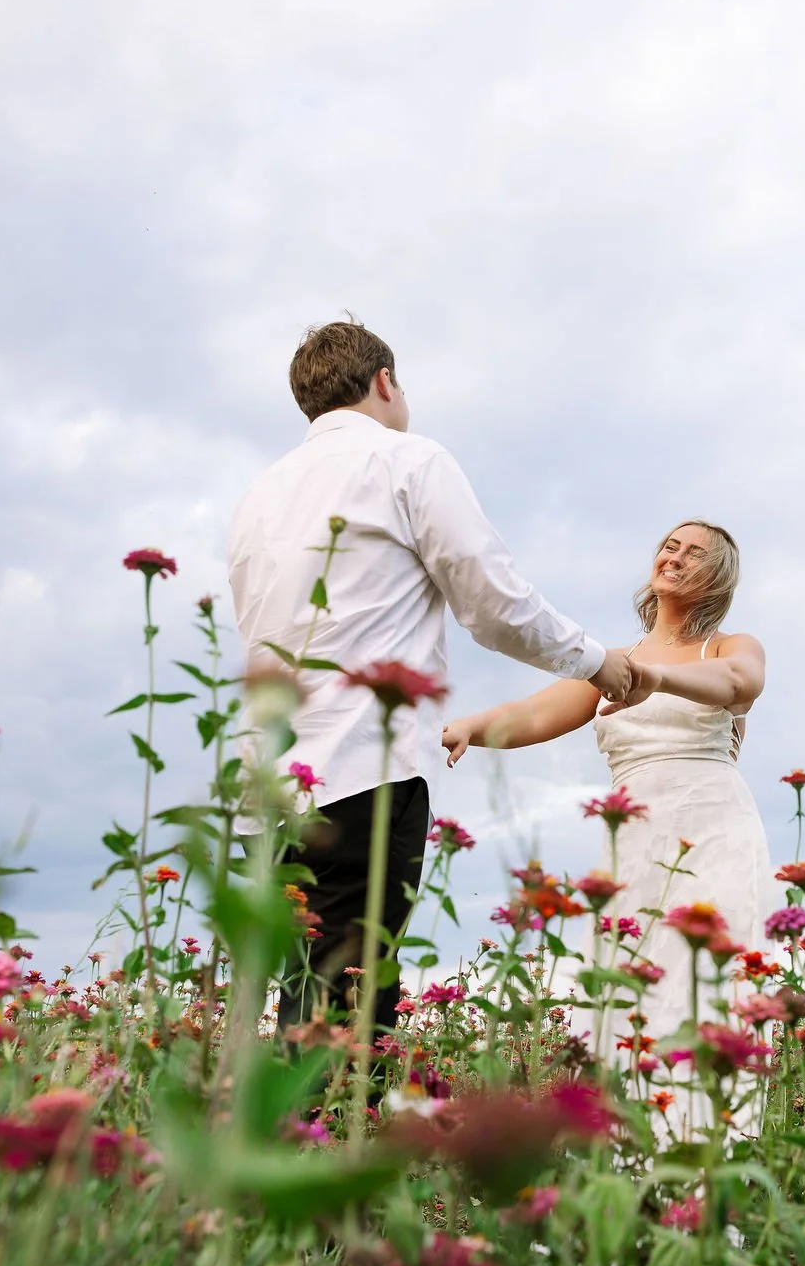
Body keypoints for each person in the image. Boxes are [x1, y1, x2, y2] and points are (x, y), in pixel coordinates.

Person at [226, 319, 651, 1039]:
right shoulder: (408, 461)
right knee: (353, 1006)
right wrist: (596, 661)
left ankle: (297, 1142)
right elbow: (493, 604)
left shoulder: (259, 495)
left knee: (306, 994)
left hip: (269, 783)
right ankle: (338, 1146)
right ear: (385, 381)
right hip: (363, 766)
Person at [440, 520, 772, 1048]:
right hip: (634, 838)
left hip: (713, 831)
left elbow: (741, 683)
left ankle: (716, 1127)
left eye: (694, 553)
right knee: (630, 985)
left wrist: (658, 679)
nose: (676, 557)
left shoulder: (729, 647)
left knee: (709, 987)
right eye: (669, 546)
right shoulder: (614, 662)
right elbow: (533, 713)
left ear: (718, 577)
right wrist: (469, 728)